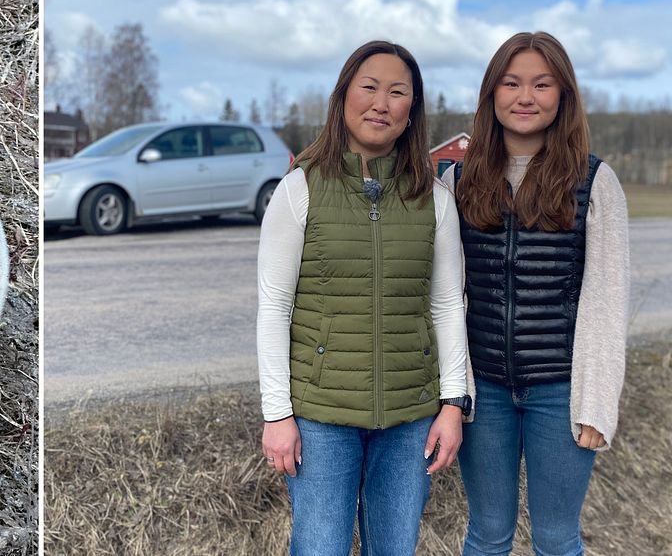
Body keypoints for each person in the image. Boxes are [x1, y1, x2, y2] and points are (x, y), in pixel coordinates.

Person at [257, 41, 471, 555]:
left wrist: (453, 404)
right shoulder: (299, 189)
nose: (382, 103)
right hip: (319, 417)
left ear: (411, 111)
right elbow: (273, 306)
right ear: (344, 96)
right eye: (369, 87)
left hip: (410, 417)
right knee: (319, 547)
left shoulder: (435, 199)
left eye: (398, 93)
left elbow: (446, 305)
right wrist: (276, 414)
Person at [447, 31, 629, 556]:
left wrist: (597, 405)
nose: (526, 96)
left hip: (561, 393)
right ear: (491, 94)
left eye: (542, 84)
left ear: (563, 95)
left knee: (555, 538)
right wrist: (452, 393)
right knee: (487, 536)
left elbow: (606, 299)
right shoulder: (457, 182)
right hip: (484, 395)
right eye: (512, 82)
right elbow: (448, 295)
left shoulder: (595, 182)